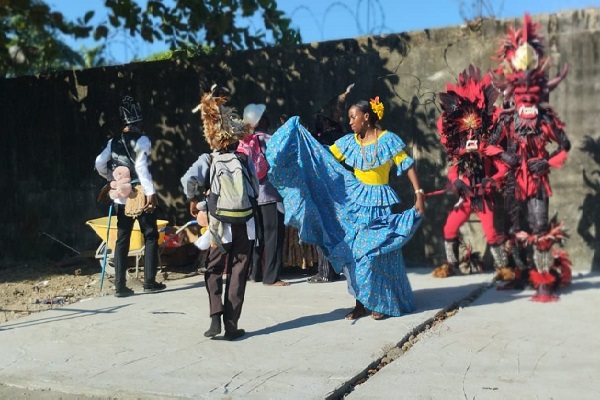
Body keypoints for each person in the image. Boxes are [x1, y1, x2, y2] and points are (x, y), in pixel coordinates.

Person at [266, 95, 425, 320]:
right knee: (354, 254)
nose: (350, 122)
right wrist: (301, 141)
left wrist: (419, 194)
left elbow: (406, 164)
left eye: (353, 117)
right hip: (354, 203)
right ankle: (361, 303)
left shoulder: (388, 140)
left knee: (377, 255)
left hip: (379, 204)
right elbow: (322, 156)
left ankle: (380, 303)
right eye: (349, 118)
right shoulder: (349, 142)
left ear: (366, 117)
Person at [491, 14, 571, 301]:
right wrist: (504, 156)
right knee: (515, 229)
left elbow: (565, 146)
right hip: (513, 181)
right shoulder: (507, 119)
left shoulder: (546, 117)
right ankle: (521, 275)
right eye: (520, 90)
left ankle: (543, 280)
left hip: (537, 181)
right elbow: (489, 145)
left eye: (530, 90)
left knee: (538, 228)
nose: (525, 96)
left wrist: (547, 162)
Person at [182, 84, 258, 340]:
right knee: (238, 271)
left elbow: (188, 180)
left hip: (219, 226)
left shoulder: (208, 159)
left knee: (214, 269)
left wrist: (195, 201)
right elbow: (255, 191)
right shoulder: (244, 160)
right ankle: (232, 326)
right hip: (245, 224)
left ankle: (215, 318)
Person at [432, 65, 509, 278]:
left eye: (476, 129)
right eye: (468, 130)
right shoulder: (459, 151)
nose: (472, 132)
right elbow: (453, 169)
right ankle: (450, 264)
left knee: (492, 233)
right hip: (465, 198)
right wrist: (456, 181)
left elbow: (502, 168)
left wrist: (490, 181)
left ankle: (503, 267)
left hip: (484, 198)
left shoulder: (487, 148)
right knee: (449, 228)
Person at [94, 95, 166, 297]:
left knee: (122, 238)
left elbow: (99, 163)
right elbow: (141, 167)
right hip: (139, 193)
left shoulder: (112, 142)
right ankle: (150, 282)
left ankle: (120, 286)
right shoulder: (143, 140)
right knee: (150, 234)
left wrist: (111, 178)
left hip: (120, 196)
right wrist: (150, 192)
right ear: (139, 122)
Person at [240, 104, 288, 286]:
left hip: (252, 195)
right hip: (270, 194)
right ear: (264, 121)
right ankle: (271, 277)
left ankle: (255, 273)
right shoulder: (271, 140)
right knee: (273, 235)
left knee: (257, 235)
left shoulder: (244, 142)